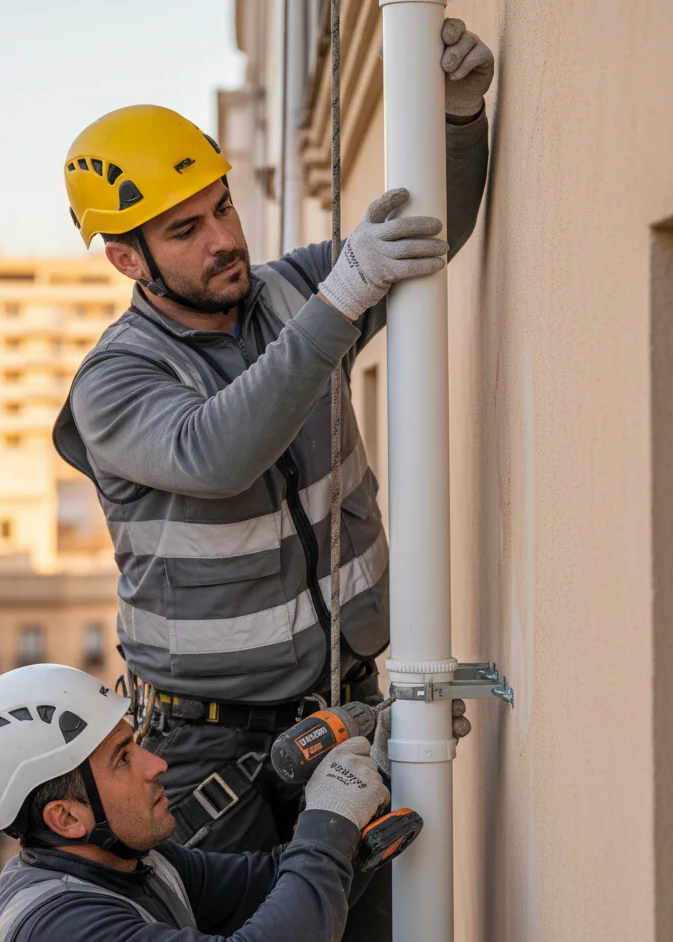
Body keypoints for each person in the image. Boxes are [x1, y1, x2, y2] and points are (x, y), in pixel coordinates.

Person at [52, 18, 492, 939]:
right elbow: (217, 452)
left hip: (347, 707)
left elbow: (429, 240)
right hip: (213, 756)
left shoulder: (294, 292)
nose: (224, 239)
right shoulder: (115, 381)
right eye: (186, 229)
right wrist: (342, 298)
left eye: (223, 208)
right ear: (126, 258)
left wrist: (456, 120)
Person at [0, 664, 393, 941]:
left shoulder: (137, 862)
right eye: (123, 759)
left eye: (134, 743)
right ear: (66, 817)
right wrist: (329, 822)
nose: (157, 763)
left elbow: (272, 882)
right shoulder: (62, 928)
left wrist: (379, 781)